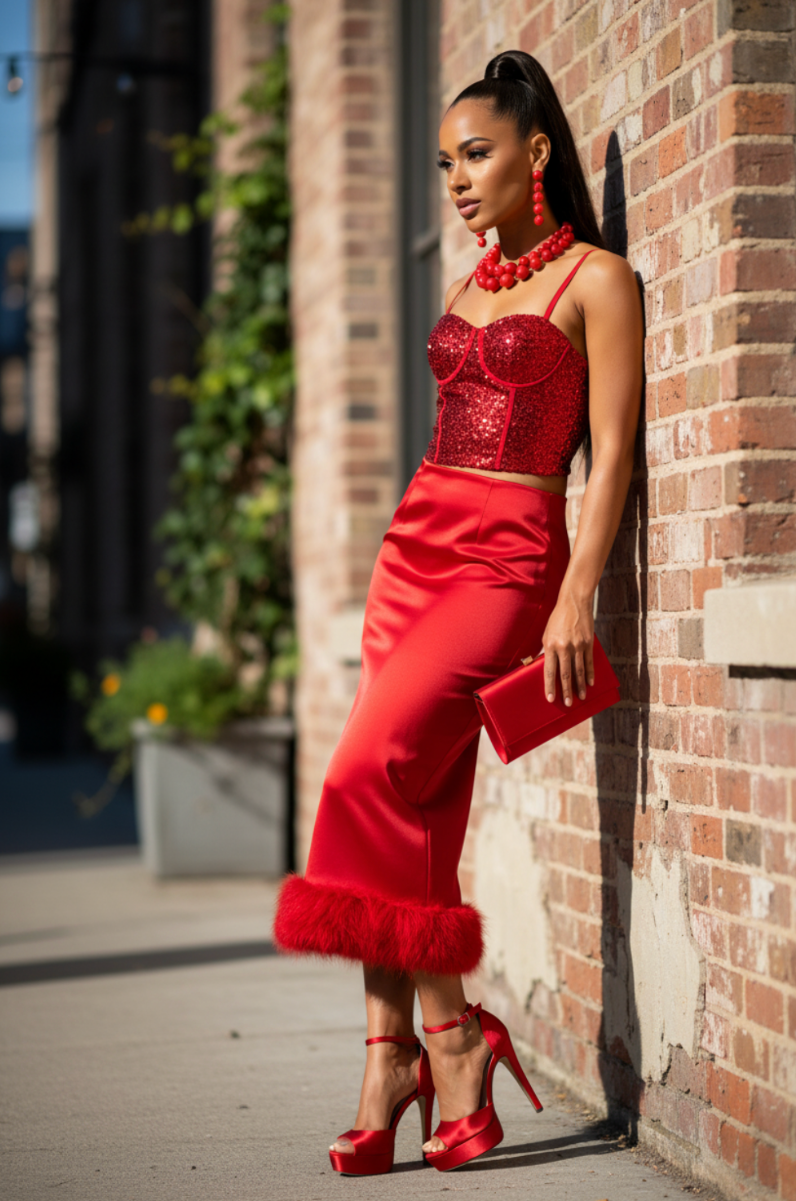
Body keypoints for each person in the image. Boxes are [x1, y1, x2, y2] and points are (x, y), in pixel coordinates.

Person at [273, 47, 644, 1175]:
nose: (455, 177)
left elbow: (613, 450)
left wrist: (576, 589)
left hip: (506, 562)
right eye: (442, 161)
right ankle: (391, 1057)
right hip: (415, 550)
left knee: (362, 775)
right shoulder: (466, 287)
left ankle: (447, 1041)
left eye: (473, 154)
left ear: (537, 152)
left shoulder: (596, 280)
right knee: (412, 806)